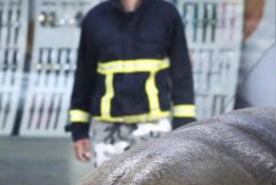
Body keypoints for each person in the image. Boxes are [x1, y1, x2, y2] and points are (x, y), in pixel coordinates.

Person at [66, 0, 196, 166]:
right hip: (107, 132)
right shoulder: (95, 18)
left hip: (154, 128)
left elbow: (182, 75)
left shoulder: (166, 15)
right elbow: (84, 78)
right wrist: (79, 130)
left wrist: (184, 129)